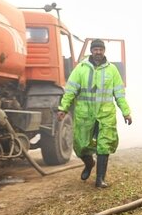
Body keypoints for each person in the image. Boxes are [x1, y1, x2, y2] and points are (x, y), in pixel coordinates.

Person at [57, 39, 132, 188]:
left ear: (104, 51)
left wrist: (126, 112)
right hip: (85, 114)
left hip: (105, 114)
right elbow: (70, 91)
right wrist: (63, 108)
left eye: (100, 49)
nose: (98, 52)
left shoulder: (112, 70)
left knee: (104, 145)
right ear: (91, 51)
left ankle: (100, 179)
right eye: (95, 49)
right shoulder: (81, 69)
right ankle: (89, 163)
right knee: (81, 146)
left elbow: (119, 94)